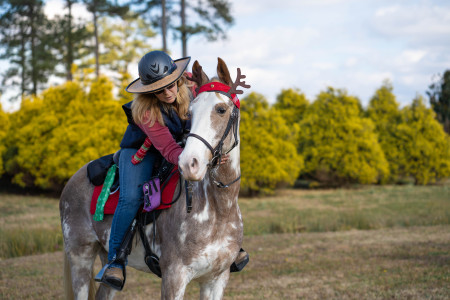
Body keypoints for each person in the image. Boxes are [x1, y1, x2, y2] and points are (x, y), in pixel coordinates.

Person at [102, 50, 194, 288]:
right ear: (148, 91)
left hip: (180, 146)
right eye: (159, 89)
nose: (167, 92)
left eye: (171, 85)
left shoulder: (190, 89)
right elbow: (169, 151)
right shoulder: (146, 110)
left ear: (178, 78)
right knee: (131, 198)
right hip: (142, 151)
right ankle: (115, 262)